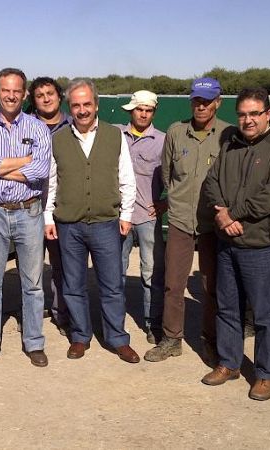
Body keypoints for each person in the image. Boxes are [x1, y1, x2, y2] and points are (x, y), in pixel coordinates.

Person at [200, 87, 270, 401]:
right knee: (228, 307)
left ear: (268, 114)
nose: (248, 120)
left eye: (255, 114)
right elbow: (211, 182)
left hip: (261, 244)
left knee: (264, 313)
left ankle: (266, 374)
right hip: (227, 242)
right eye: (242, 114)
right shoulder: (230, 145)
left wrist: (234, 212)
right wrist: (222, 215)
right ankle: (229, 363)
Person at [44, 78, 140, 364]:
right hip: (69, 225)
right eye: (76, 105)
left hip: (105, 223)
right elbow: (51, 182)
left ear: (96, 105)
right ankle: (80, 336)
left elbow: (126, 177)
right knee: (73, 285)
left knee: (112, 285)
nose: (82, 110)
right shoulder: (59, 139)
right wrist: (48, 217)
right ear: (70, 107)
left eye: (87, 104)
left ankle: (118, 338)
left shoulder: (114, 136)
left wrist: (126, 214)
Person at [144, 77, 230, 364]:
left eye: (207, 101)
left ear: (218, 103)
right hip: (181, 220)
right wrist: (177, 200)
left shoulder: (228, 134)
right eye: (196, 101)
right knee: (173, 283)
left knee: (211, 285)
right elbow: (168, 174)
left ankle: (211, 340)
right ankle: (172, 339)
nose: (201, 106)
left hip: (212, 224)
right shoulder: (176, 132)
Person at [0, 68, 52, 368]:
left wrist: (1, 165)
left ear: (24, 94)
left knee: (33, 283)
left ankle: (34, 342)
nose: (11, 95)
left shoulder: (38, 128)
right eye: (5, 90)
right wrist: (25, 161)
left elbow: (41, 170)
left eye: (17, 90)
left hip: (28, 210)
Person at [117, 90, 167, 344]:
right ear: (131, 110)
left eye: (148, 110)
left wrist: (166, 202)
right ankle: (114, 322)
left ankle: (152, 323)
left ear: (154, 112)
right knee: (116, 273)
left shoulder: (163, 141)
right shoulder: (115, 135)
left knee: (151, 273)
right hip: (119, 217)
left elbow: (178, 177)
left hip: (148, 217)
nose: (144, 114)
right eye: (139, 109)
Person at [27, 76, 72, 334]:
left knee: (62, 266)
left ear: (59, 96)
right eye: (40, 95)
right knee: (30, 267)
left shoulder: (74, 126)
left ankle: (62, 315)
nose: (46, 99)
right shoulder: (24, 126)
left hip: (62, 207)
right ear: (34, 100)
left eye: (50, 93)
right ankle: (30, 316)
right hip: (29, 205)